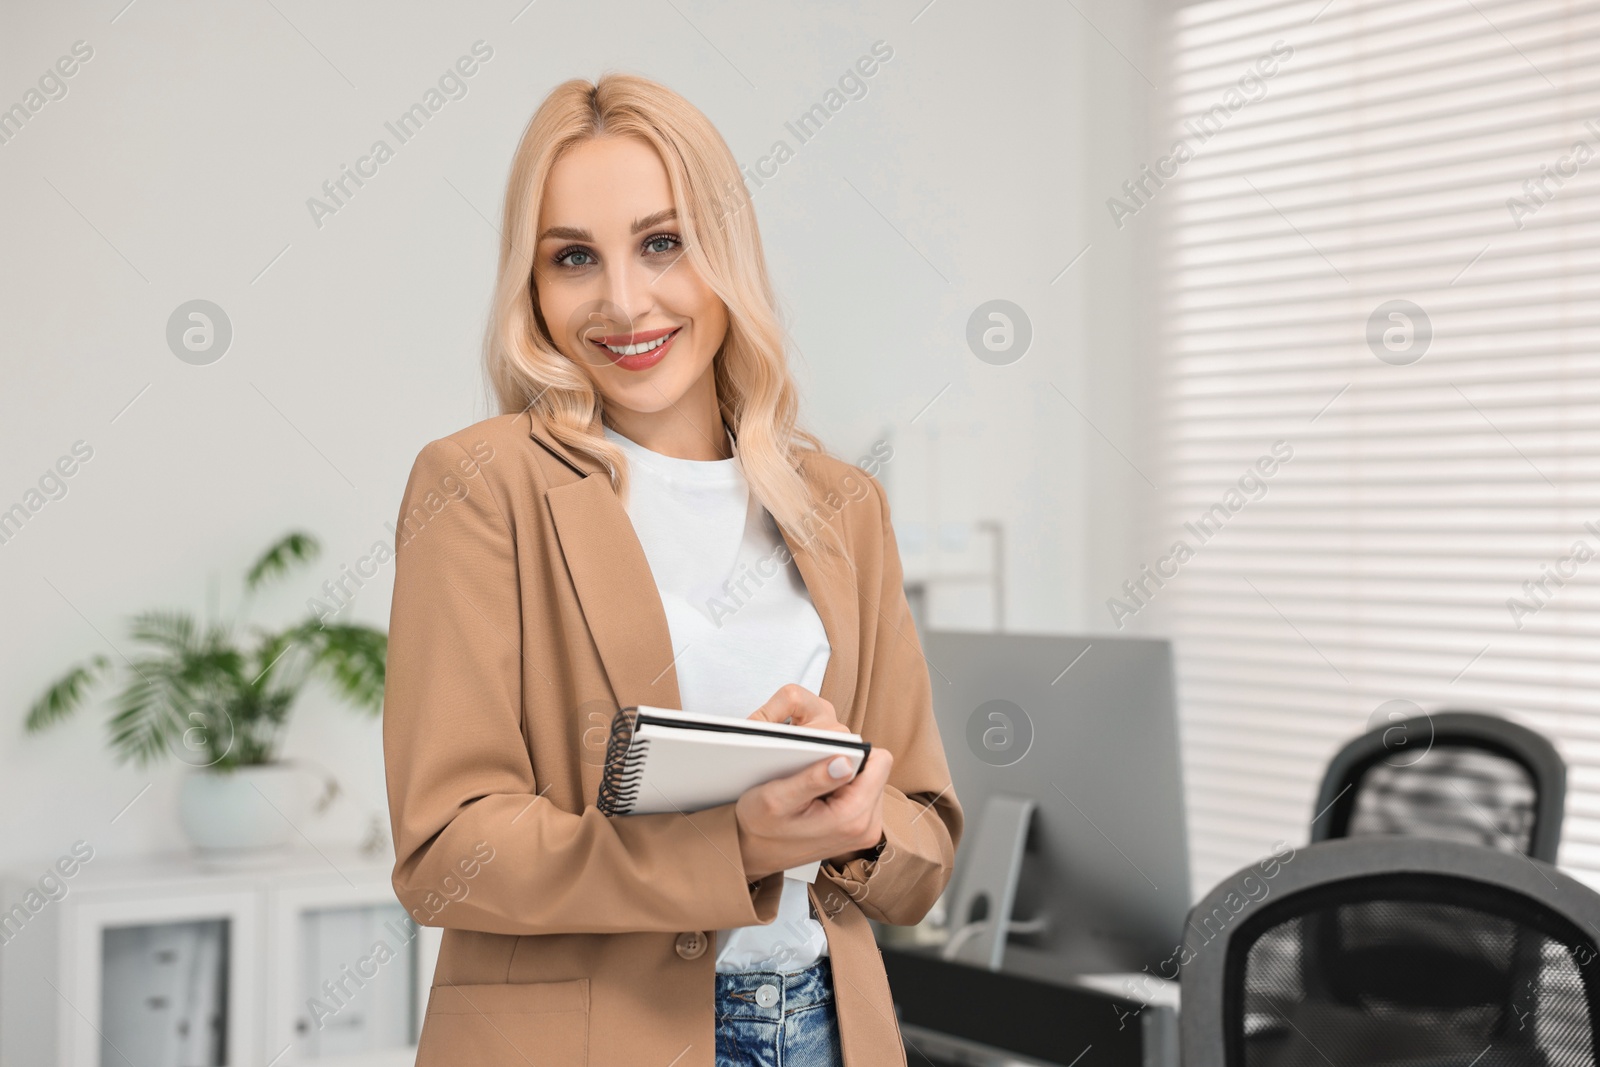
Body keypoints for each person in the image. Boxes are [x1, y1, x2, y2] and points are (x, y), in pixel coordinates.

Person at [381, 72, 963, 1067]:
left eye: (663, 242)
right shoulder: (479, 487)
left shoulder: (842, 507)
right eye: (573, 257)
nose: (621, 299)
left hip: (828, 1028)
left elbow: (925, 852)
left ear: (723, 254)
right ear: (532, 283)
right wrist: (730, 846)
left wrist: (860, 823)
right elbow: (448, 854)